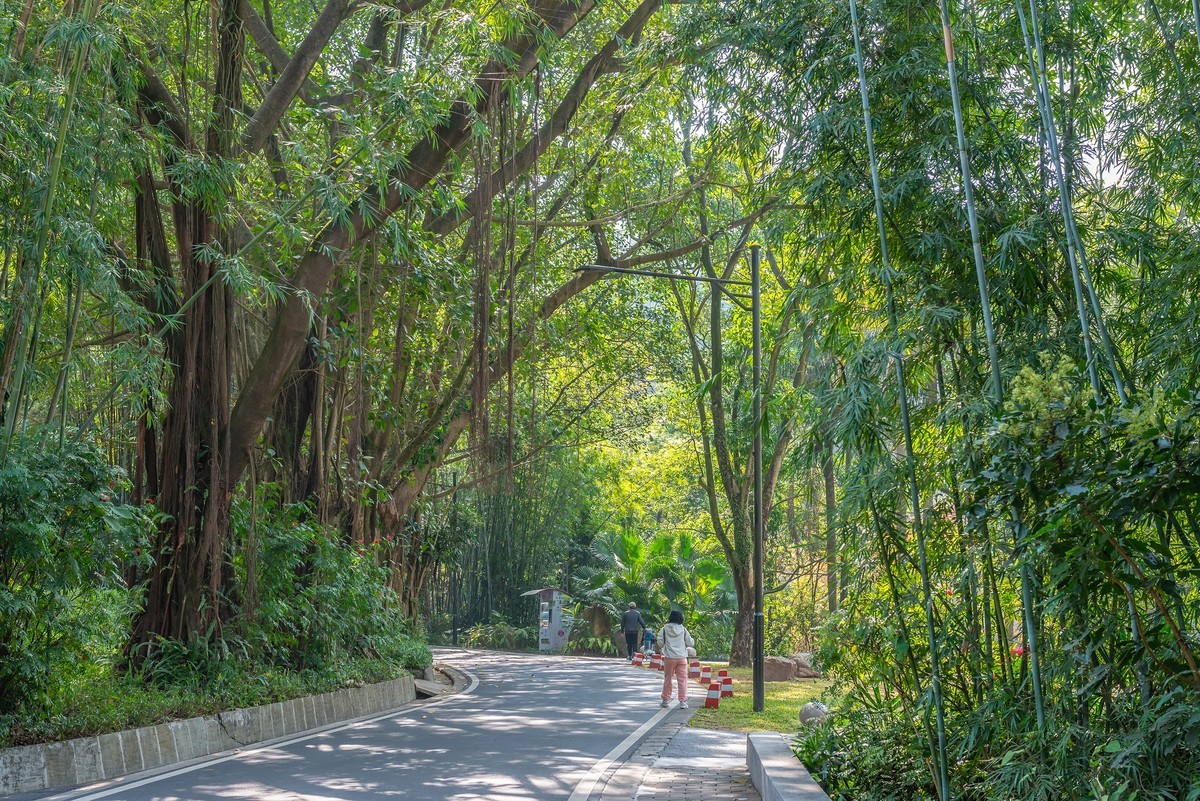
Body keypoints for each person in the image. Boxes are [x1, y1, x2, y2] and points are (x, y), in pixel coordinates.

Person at [657, 609, 695, 708]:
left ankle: (665, 700)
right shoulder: (683, 629)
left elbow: (660, 642)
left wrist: (664, 646)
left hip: (669, 657)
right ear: (681, 618)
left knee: (668, 679)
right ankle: (683, 702)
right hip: (682, 657)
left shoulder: (664, 629)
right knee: (682, 680)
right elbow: (690, 643)